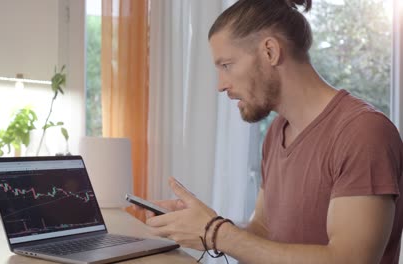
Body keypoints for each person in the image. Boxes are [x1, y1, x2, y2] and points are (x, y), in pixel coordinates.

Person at [136, 0, 403, 263]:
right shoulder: (278, 132)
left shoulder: (363, 133)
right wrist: (198, 223)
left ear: (270, 52)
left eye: (226, 65)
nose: (220, 85)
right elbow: (263, 232)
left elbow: (349, 259)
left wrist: (216, 232)